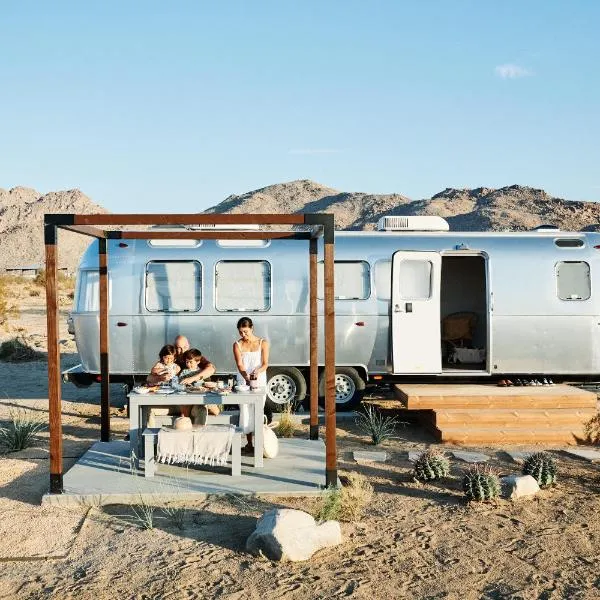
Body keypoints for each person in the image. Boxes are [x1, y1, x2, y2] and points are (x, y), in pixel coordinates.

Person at [233, 317, 270, 453]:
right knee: (245, 411)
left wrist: (257, 371)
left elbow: (265, 363)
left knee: (258, 410)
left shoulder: (263, 343)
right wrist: (246, 378)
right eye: (241, 332)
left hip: (259, 379)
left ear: (252, 328)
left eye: (246, 332)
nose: (243, 335)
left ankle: (260, 443)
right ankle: (249, 443)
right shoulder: (237, 344)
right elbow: (240, 364)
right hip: (243, 380)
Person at [178, 348, 220, 419]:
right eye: (187, 362)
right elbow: (180, 383)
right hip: (190, 396)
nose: (188, 364)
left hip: (202, 395)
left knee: (216, 411)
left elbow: (207, 383)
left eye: (190, 362)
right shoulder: (184, 372)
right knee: (184, 413)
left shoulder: (202, 372)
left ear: (198, 362)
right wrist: (183, 383)